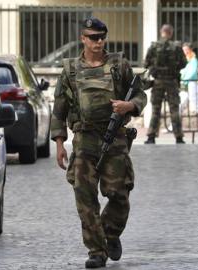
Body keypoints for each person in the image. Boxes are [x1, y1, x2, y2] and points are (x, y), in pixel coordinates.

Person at [50, 18, 147, 268]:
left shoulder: (118, 65)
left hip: (114, 139)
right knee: (85, 198)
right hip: (83, 141)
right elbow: (59, 109)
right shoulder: (70, 70)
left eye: (102, 37)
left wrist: (129, 106)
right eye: (93, 37)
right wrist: (60, 143)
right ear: (83, 38)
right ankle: (96, 251)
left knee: (119, 194)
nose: (99, 41)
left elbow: (140, 93)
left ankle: (110, 233)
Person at [144, 24, 187, 144]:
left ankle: (151, 136)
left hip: (158, 82)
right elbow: (184, 63)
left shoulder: (154, 46)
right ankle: (179, 137)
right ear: (171, 33)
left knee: (155, 110)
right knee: (174, 109)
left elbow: (145, 63)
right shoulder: (177, 47)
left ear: (161, 32)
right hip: (172, 81)